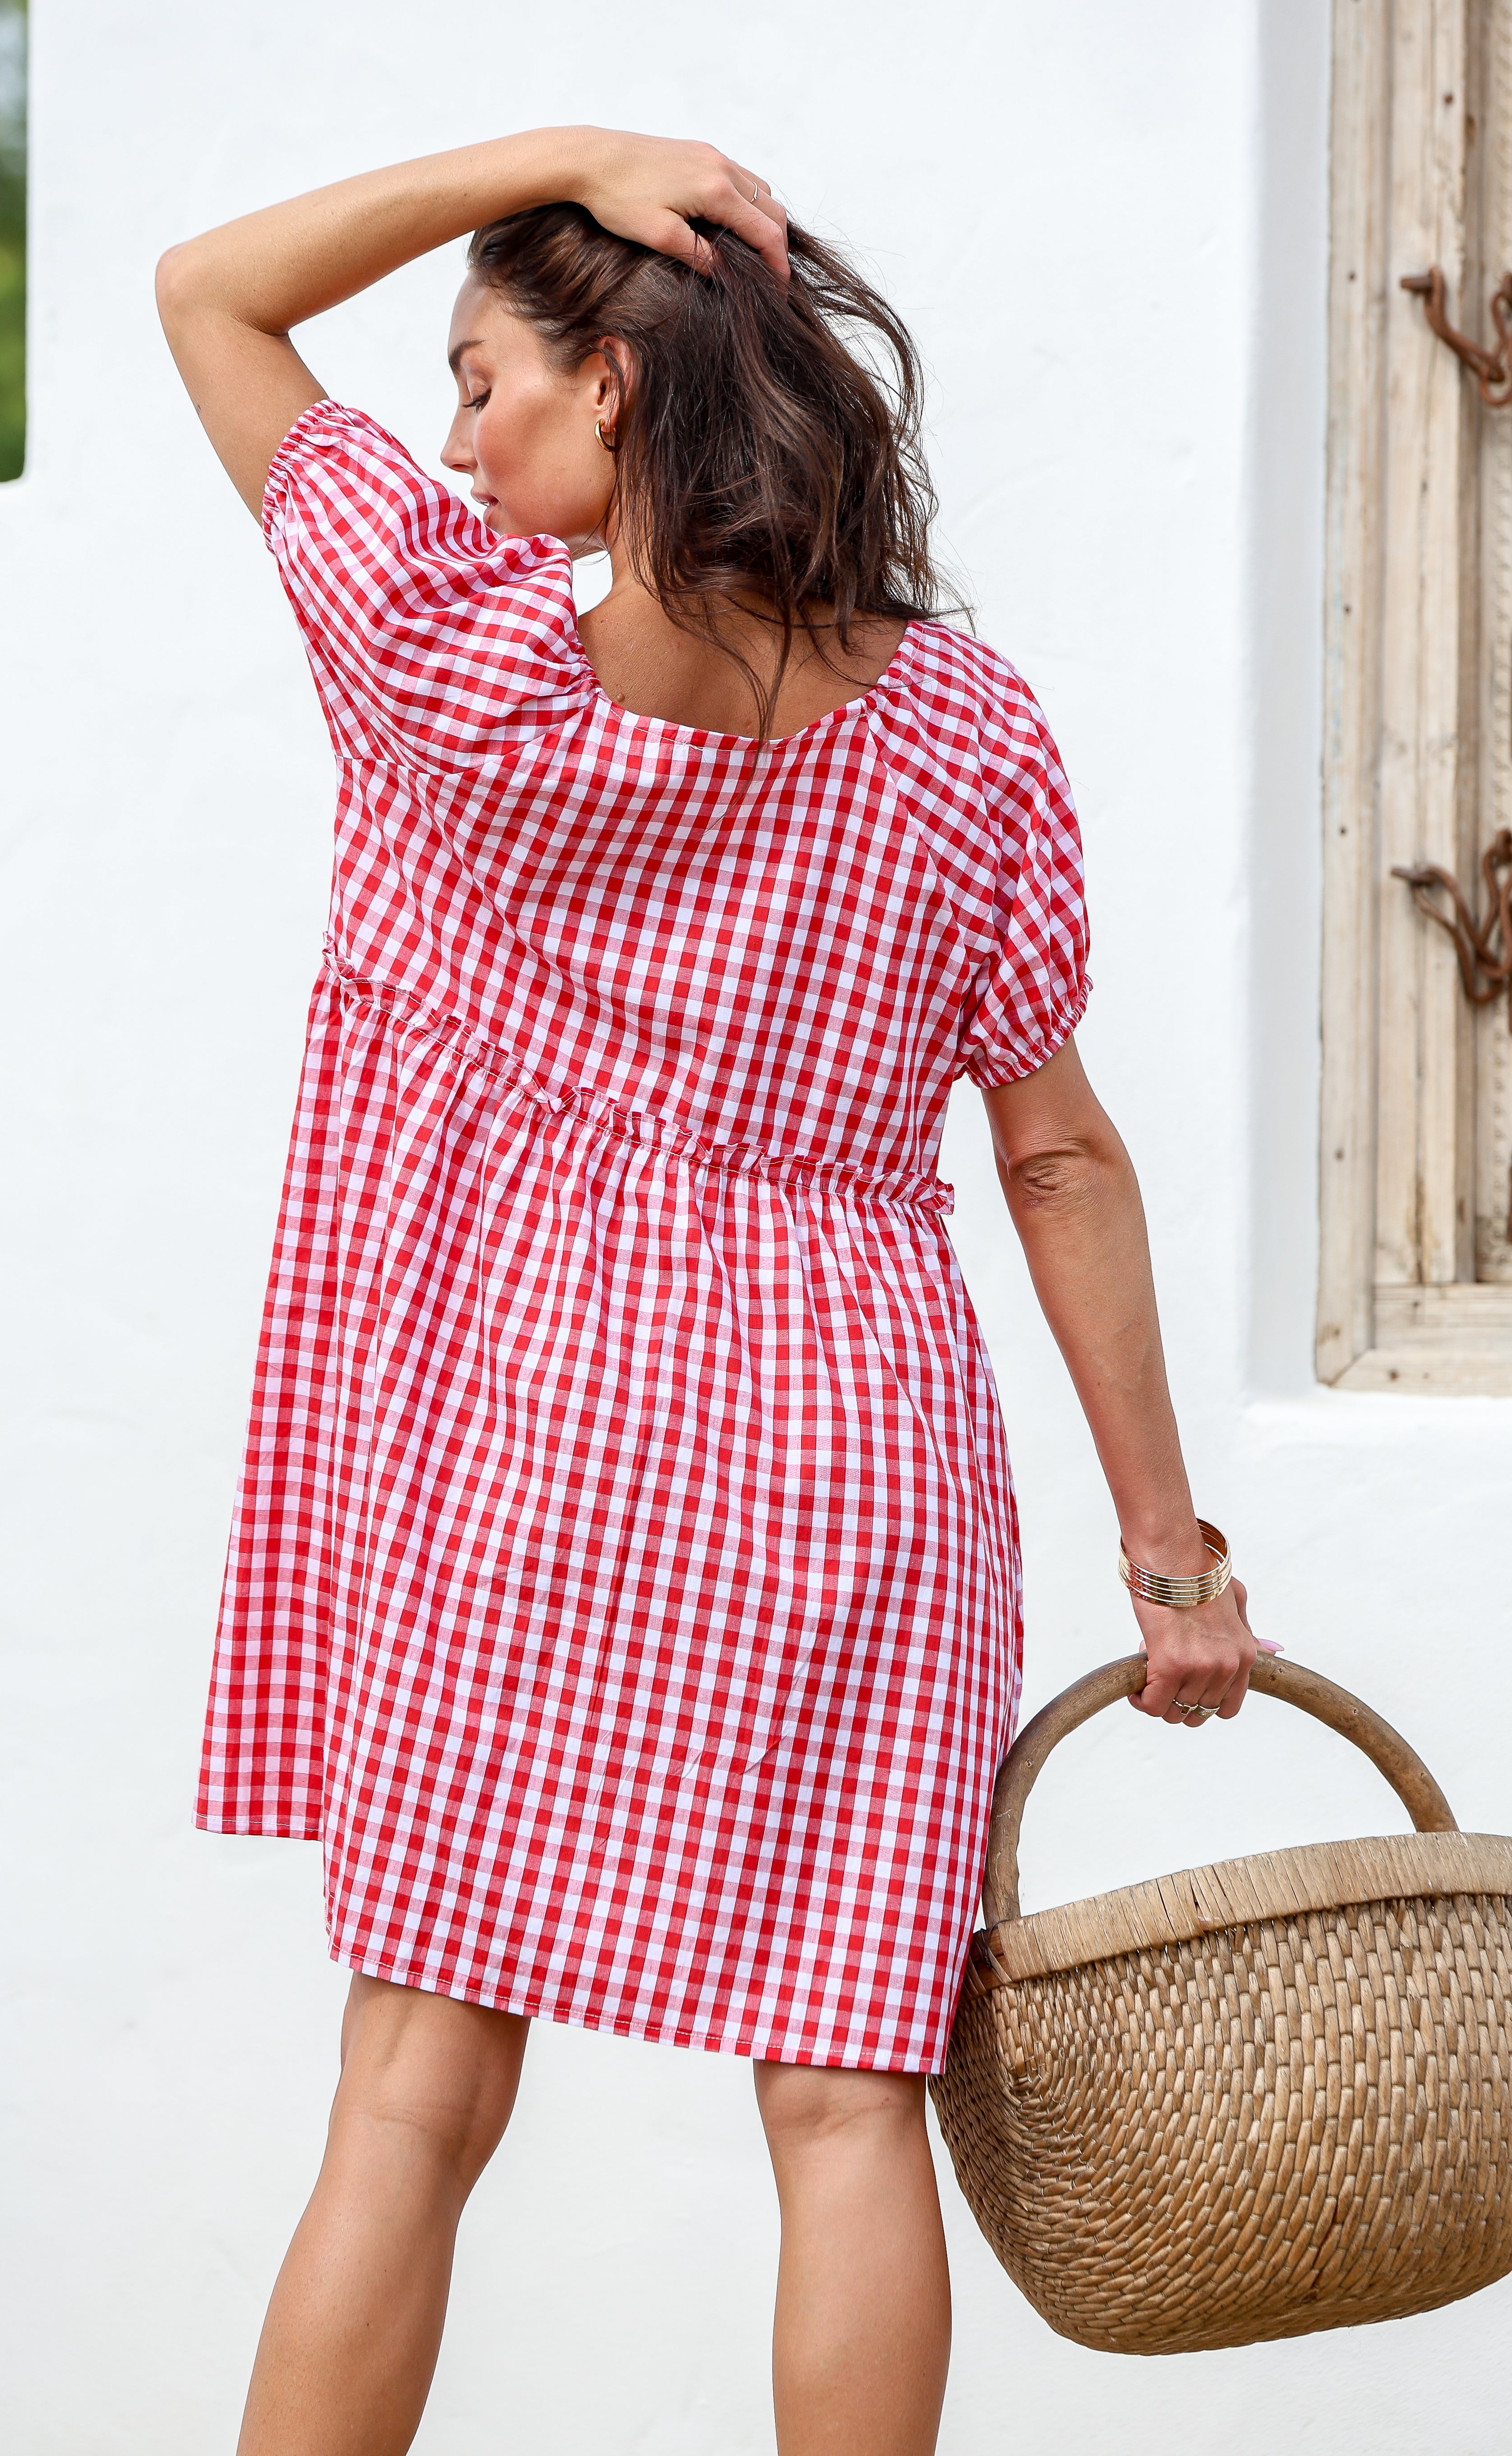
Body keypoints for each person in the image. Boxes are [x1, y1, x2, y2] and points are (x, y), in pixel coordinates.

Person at [158, 125, 1266, 2456]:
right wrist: (1172, 1559)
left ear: (621, 389)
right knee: (846, 2115)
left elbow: (204, 293)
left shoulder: (455, 672)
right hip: (855, 1460)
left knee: (411, 2096)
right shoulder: (963, 737)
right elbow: (1057, 1155)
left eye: (482, 381)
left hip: (516, 1436)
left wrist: (566, 151)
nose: (457, 442)